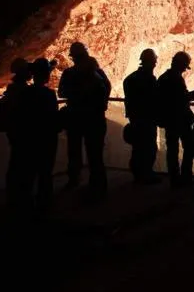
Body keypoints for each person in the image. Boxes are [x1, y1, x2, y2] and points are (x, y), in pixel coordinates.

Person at [58, 42, 111, 197]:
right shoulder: (98, 73)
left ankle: (74, 180)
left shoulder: (69, 74)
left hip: (76, 118)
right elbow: (106, 89)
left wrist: (76, 94)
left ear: (73, 57)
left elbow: (61, 92)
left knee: (74, 151)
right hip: (95, 119)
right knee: (95, 155)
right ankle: (98, 186)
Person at [23, 58, 60, 214]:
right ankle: (44, 205)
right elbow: (53, 118)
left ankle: (25, 205)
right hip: (46, 138)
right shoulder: (49, 94)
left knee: (29, 172)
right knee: (45, 173)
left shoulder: (26, 93)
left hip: (29, 138)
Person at [122, 49, 161, 184]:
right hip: (147, 118)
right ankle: (146, 174)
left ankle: (138, 174)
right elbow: (153, 98)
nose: (155, 63)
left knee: (138, 148)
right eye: (154, 61)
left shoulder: (131, 79)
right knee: (148, 147)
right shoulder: (148, 79)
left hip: (136, 117)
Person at [156, 51, 194, 188]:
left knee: (172, 150)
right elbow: (183, 98)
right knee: (189, 148)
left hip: (169, 120)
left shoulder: (163, 78)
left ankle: (174, 179)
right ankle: (186, 177)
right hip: (180, 120)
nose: (185, 69)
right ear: (180, 64)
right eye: (185, 66)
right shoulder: (176, 79)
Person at [1, 58, 32, 213]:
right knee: (22, 166)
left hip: (15, 132)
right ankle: (21, 201)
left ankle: (13, 199)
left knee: (15, 164)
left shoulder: (12, 90)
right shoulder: (24, 92)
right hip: (24, 134)